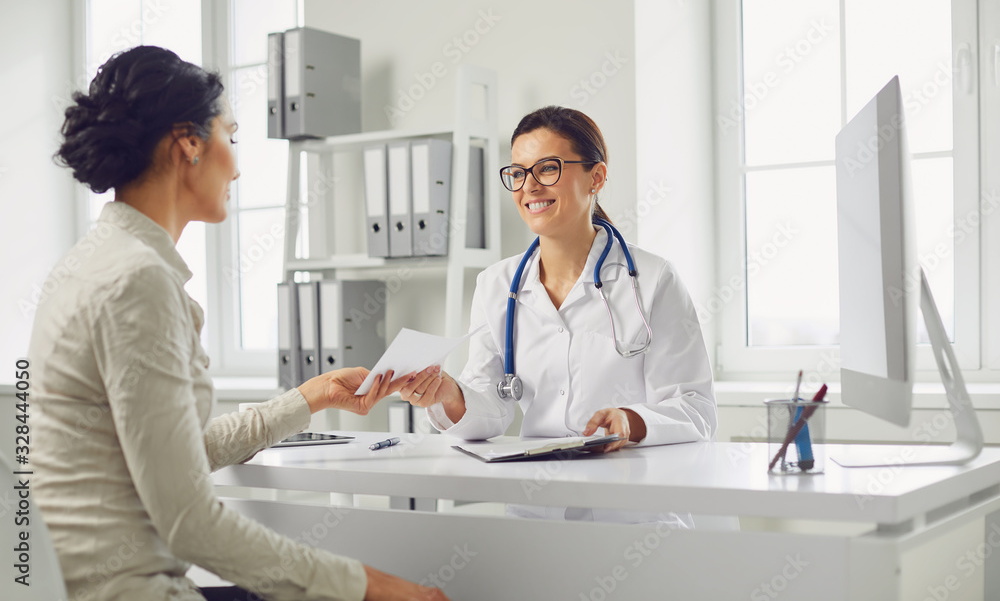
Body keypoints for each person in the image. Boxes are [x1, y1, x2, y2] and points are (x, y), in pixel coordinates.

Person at [30, 46, 448, 601]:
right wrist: (369, 586)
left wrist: (312, 394)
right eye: (232, 134)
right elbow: (190, 522)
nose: (239, 163)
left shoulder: (92, 262)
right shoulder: (136, 283)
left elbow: (183, 455)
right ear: (189, 144)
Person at [396, 106, 717, 524]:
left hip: (633, 515)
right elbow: (492, 406)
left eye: (547, 169)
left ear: (596, 177)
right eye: (518, 173)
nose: (529, 186)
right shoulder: (497, 285)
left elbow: (695, 408)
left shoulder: (653, 280)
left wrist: (631, 420)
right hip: (535, 509)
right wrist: (448, 395)